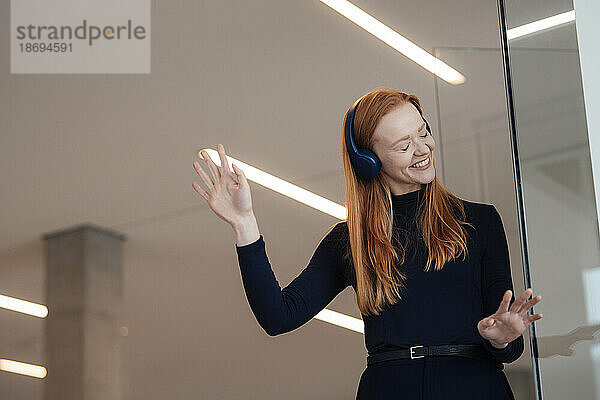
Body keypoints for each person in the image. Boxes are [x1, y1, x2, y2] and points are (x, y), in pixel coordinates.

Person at [192, 88, 543, 399]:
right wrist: (244, 224)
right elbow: (278, 316)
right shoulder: (349, 241)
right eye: (404, 145)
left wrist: (501, 336)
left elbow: (508, 345)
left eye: (423, 133)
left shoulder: (479, 222)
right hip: (389, 389)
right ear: (368, 162)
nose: (423, 149)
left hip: (473, 387)